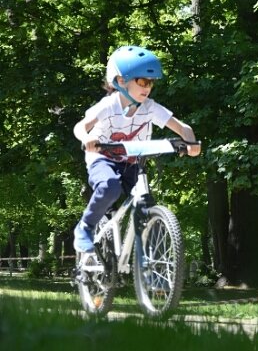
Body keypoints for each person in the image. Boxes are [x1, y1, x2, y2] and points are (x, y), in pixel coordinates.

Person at [72, 45, 201, 253]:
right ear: (121, 81)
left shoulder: (150, 107)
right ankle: (85, 227)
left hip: (132, 161)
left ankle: (150, 263)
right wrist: (87, 138)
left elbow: (182, 127)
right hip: (103, 158)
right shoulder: (109, 105)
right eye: (142, 81)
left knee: (145, 204)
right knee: (110, 186)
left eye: (151, 82)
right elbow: (81, 126)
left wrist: (191, 142)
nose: (147, 87)